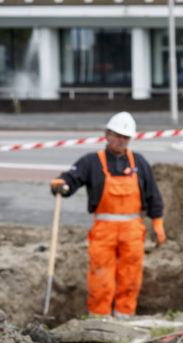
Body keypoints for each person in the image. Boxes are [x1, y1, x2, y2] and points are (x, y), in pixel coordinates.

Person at [49, 111, 165, 319]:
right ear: (107, 135)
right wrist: (62, 184)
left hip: (132, 230)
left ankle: (124, 317)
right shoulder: (91, 162)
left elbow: (153, 194)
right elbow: (70, 179)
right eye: (117, 136)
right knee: (100, 278)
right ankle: (99, 320)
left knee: (131, 277)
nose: (121, 141)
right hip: (104, 231)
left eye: (125, 137)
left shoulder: (139, 163)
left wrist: (158, 223)